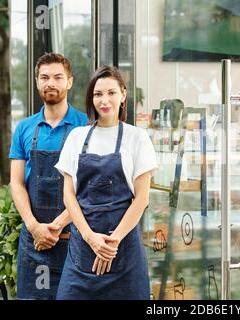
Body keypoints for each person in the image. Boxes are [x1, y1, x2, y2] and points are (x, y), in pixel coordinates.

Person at [55, 65, 157, 300]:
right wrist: (91, 238)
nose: (104, 100)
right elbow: (68, 196)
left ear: (123, 95)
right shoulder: (77, 137)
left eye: (111, 92)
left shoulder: (137, 138)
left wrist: (111, 244)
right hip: (83, 249)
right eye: (98, 94)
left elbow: (141, 199)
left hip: (123, 250)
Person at [9, 53, 88, 299]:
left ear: (70, 81)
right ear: (36, 82)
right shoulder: (24, 128)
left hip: (74, 236)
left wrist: (57, 226)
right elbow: (17, 182)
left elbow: (88, 187)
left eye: (57, 77)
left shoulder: (85, 126)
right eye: (44, 77)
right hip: (34, 239)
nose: (50, 83)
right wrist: (34, 227)